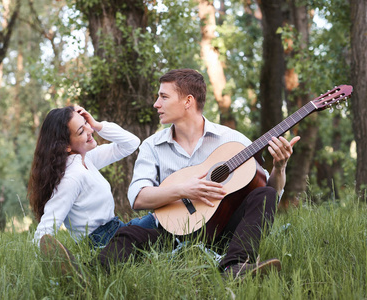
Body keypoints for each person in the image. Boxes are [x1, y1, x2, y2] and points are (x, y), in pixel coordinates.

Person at [42, 69, 300, 281]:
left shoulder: (232, 140)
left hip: (223, 226)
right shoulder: (152, 146)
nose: (156, 104)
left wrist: (280, 168)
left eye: (163, 97)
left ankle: (235, 267)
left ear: (188, 101)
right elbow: (138, 198)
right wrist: (184, 190)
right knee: (129, 234)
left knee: (264, 193)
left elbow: (271, 199)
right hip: (175, 231)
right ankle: (84, 275)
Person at [29, 106, 156, 253]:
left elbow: (131, 143)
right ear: (66, 146)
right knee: (164, 235)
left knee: (161, 220)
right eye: (81, 131)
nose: (90, 131)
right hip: (102, 243)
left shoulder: (87, 159)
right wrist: (40, 255)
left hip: (117, 230)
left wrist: (97, 124)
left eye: (86, 123)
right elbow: (48, 224)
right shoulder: (72, 177)